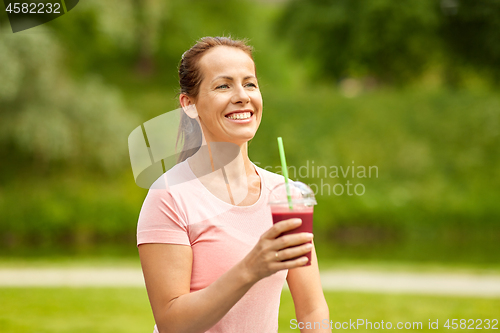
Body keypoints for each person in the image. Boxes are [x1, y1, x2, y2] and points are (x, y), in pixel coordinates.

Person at [137, 36, 331, 333]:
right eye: (223, 85)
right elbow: (171, 323)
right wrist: (250, 269)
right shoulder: (169, 197)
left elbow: (312, 308)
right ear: (189, 105)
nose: (242, 96)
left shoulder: (287, 197)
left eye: (250, 84)